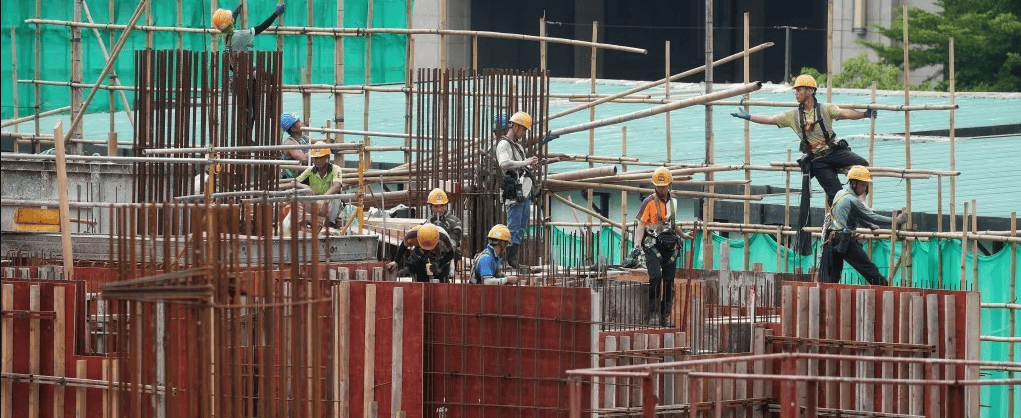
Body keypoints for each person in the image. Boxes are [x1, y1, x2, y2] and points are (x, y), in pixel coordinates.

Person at [731, 74, 876, 254]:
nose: (796, 93)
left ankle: (862, 205)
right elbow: (771, 119)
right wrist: (748, 116)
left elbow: (845, 113)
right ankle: (851, 218)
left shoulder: (825, 109)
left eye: (799, 89)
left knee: (862, 164)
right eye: (797, 90)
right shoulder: (793, 116)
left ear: (810, 91)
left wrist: (864, 114)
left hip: (835, 151)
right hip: (818, 159)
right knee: (837, 194)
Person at [820, 166, 908, 286]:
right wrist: (896, 220)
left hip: (831, 238)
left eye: (866, 185)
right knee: (868, 269)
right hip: (844, 239)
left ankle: (826, 298)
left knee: (833, 274)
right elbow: (872, 216)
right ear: (854, 183)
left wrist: (870, 226)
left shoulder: (840, 194)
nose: (864, 189)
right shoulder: (852, 200)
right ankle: (886, 289)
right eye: (863, 185)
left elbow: (855, 216)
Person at [631, 167, 694, 326]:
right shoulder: (648, 202)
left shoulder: (673, 201)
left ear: (669, 184)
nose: (661, 188)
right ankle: (652, 313)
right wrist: (637, 244)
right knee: (656, 278)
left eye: (663, 185)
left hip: (669, 244)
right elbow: (641, 224)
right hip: (652, 244)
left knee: (668, 280)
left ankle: (665, 315)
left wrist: (683, 235)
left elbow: (672, 224)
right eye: (658, 186)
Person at [495, 111, 540, 270]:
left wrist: (529, 164)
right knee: (512, 228)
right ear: (515, 126)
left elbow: (520, 165)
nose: (523, 133)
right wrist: (525, 162)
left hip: (524, 192)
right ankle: (501, 262)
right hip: (513, 193)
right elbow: (504, 164)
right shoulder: (503, 145)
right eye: (523, 129)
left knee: (521, 227)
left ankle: (512, 260)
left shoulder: (518, 147)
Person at [291, 141, 345, 230]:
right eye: (315, 158)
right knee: (297, 194)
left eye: (320, 158)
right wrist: (305, 187)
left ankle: (330, 224)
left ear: (327, 157)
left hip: (329, 205)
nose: (317, 160)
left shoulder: (335, 169)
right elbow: (293, 182)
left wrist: (323, 198)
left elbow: (337, 186)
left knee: (335, 197)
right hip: (315, 204)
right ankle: (301, 222)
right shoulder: (310, 170)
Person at [213, 3, 286, 53]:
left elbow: (232, 22)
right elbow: (262, 27)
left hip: (236, 67)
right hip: (247, 69)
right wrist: (275, 14)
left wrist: (236, 12)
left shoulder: (225, 34)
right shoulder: (239, 35)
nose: (232, 18)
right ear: (229, 24)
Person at [280, 113, 309, 178]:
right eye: (298, 122)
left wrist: (331, 142)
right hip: (295, 178)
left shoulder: (302, 138)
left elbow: (318, 141)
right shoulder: (290, 143)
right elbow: (304, 159)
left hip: (303, 175)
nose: (301, 123)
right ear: (293, 129)